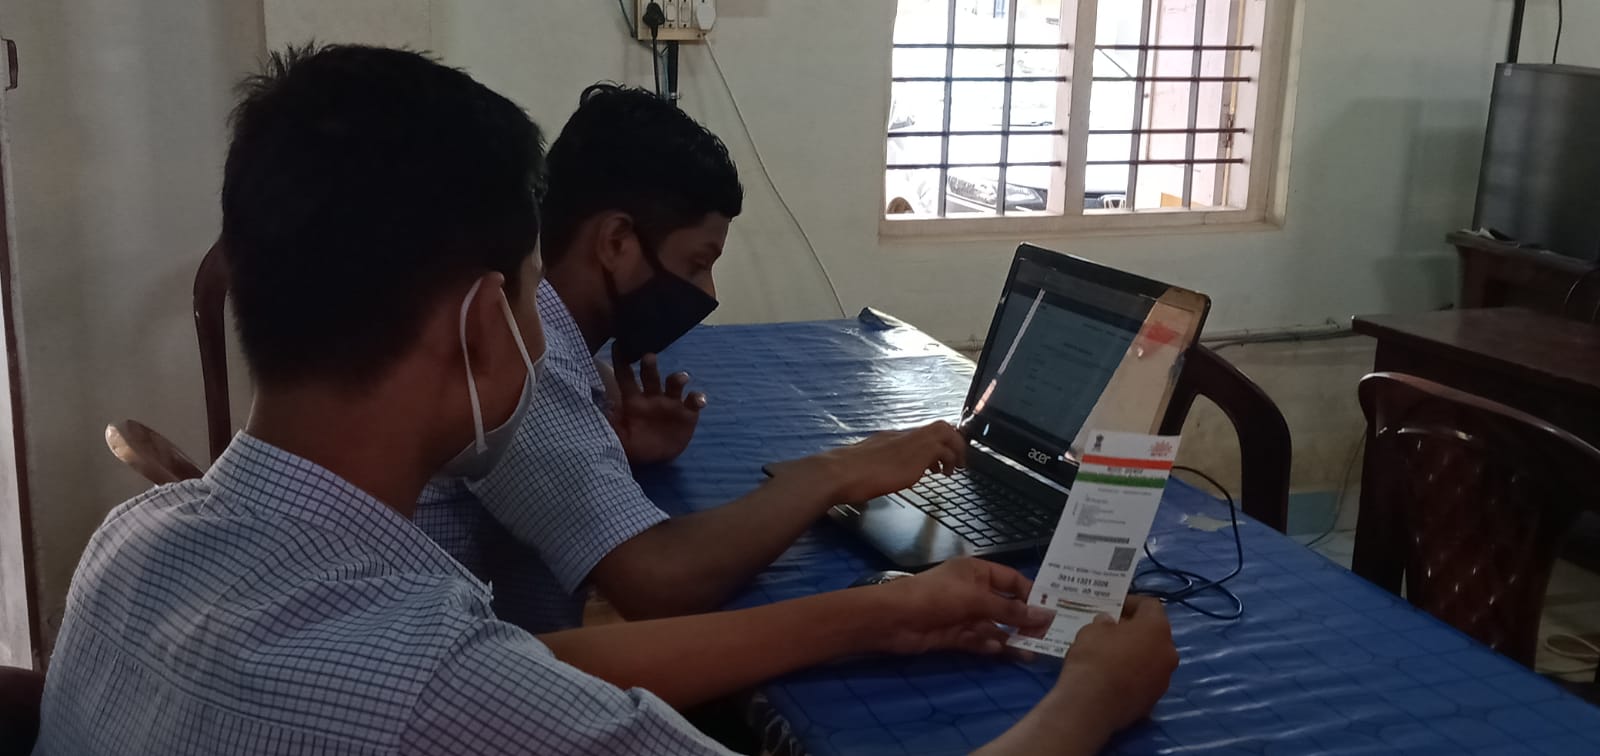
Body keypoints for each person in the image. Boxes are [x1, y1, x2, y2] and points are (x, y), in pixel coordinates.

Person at [33, 45, 1176, 755]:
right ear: (480, 327)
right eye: (528, 291)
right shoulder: (436, 691)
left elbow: (517, 673)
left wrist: (870, 615)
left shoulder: (129, 547)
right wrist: (1088, 701)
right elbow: (480, 687)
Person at [417, 84, 972, 633]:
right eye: (696, 263)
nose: (706, 292)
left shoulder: (549, 343)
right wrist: (831, 474)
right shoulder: (528, 363)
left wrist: (611, 442)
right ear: (615, 242)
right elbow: (657, 580)